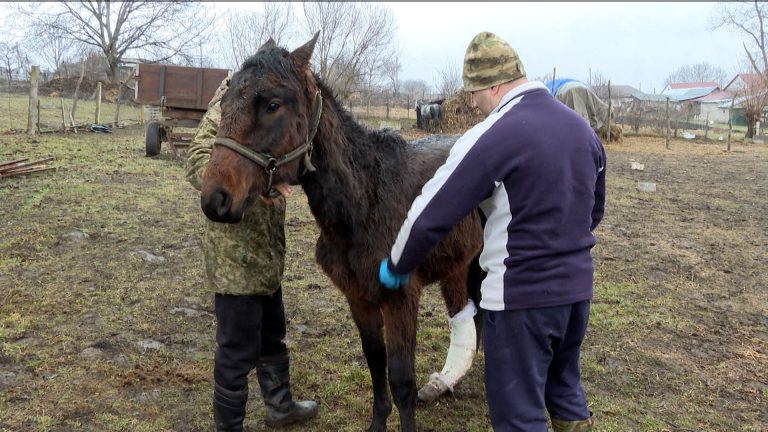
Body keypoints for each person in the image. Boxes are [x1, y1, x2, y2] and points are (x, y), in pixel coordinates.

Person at [377, 31, 606, 432]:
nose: (471, 102)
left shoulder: (493, 136)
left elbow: (432, 210)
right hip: (576, 297)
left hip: (521, 302)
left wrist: (398, 263)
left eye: (474, 92)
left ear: (495, 84)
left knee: (519, 414)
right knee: (564, 388)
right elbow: (594, 210)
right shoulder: (582, 131)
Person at [186, 77, 318, 431]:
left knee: (273, 334)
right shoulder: (230, 98)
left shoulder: (267, 99)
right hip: (235, 255)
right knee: (236, 349)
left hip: (267, 251)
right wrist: (241, 185)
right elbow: (198, 156)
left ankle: (280, 406)